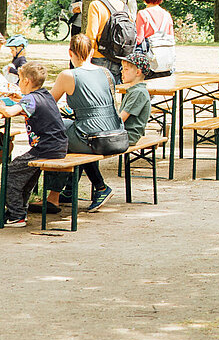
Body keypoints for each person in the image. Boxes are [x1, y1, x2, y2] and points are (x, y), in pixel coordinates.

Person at [39, 34, 124, 214]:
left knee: (57, 136)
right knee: (71, 135)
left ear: (70, 52)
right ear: (92, 52)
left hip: (92, 135)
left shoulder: (68, 75)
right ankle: (68, 191)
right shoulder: (106, 72)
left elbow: (48, 103)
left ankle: (57, 196)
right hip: (115, 130)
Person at [2, 62, 68, 228]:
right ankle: (18, 212)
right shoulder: (44, 94)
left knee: (10, 173)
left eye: (19, 80)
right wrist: (17, 98)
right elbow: (32, 103)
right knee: (24, 177)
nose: (18, 83)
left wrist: (2, 104)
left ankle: (16, 215)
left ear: (26, 82)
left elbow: (9, 113)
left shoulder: (31, 99)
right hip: (57, 146)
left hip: (45, 148)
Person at [85, 0, 129, 83]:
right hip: (117, 56)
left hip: (99, 55)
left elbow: (91, 34)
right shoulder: (123, 6)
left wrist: (87, 56)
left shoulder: (96, 5)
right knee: (113, 94)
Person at [135, 0, 176, 78]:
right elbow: (171, 38)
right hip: (167, 63)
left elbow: (139, 39)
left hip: (151, 63)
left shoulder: (143, 14)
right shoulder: (167, 15)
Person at [116, 51, 152, 146]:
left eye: (126, 69)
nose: (122, 71)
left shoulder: (139, 92)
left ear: (138, 72)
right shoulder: (133, 90)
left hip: (129, 136)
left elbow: (121, 119)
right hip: (123, 133)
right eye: (122, 69)